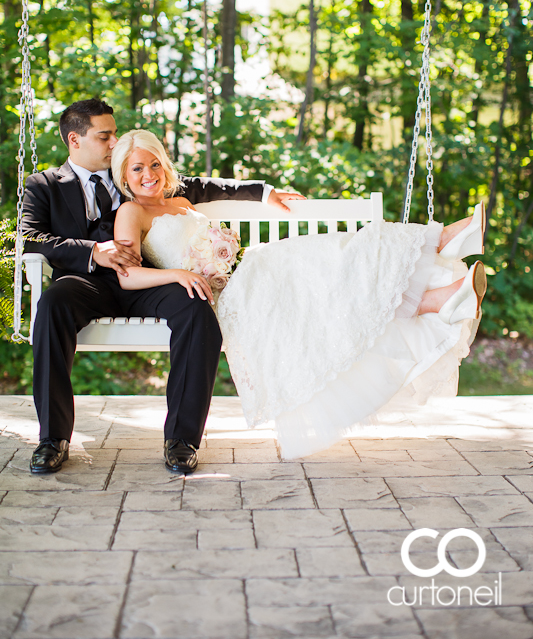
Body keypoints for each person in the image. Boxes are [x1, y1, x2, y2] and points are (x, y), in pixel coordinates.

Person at [112, 129, 488, 460]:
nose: (149, 175)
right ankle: (444, 247)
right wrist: (177, 273)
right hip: (226, 295)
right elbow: (126, 275)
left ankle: (440, 296)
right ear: (124, 176)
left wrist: (265, 197)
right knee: (329, 264)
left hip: (247, 274)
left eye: (154, 165)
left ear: (164, 165)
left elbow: (215, 199)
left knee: (335, 269)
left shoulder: (178, 201)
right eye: (137, 169)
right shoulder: (131, 212)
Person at [22, 98, 304, 475]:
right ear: (75, 140)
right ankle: (52, 438)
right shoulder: (44, 185)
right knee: (53, 304)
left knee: (195, 304)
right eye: (105, 136)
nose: (114, 143)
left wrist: (265, 192)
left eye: (115, 134)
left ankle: (182, 440)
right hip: (86, 282)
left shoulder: (135, 172)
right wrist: (93, 251)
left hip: (146, 280)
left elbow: (205, 186)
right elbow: (30, 239)